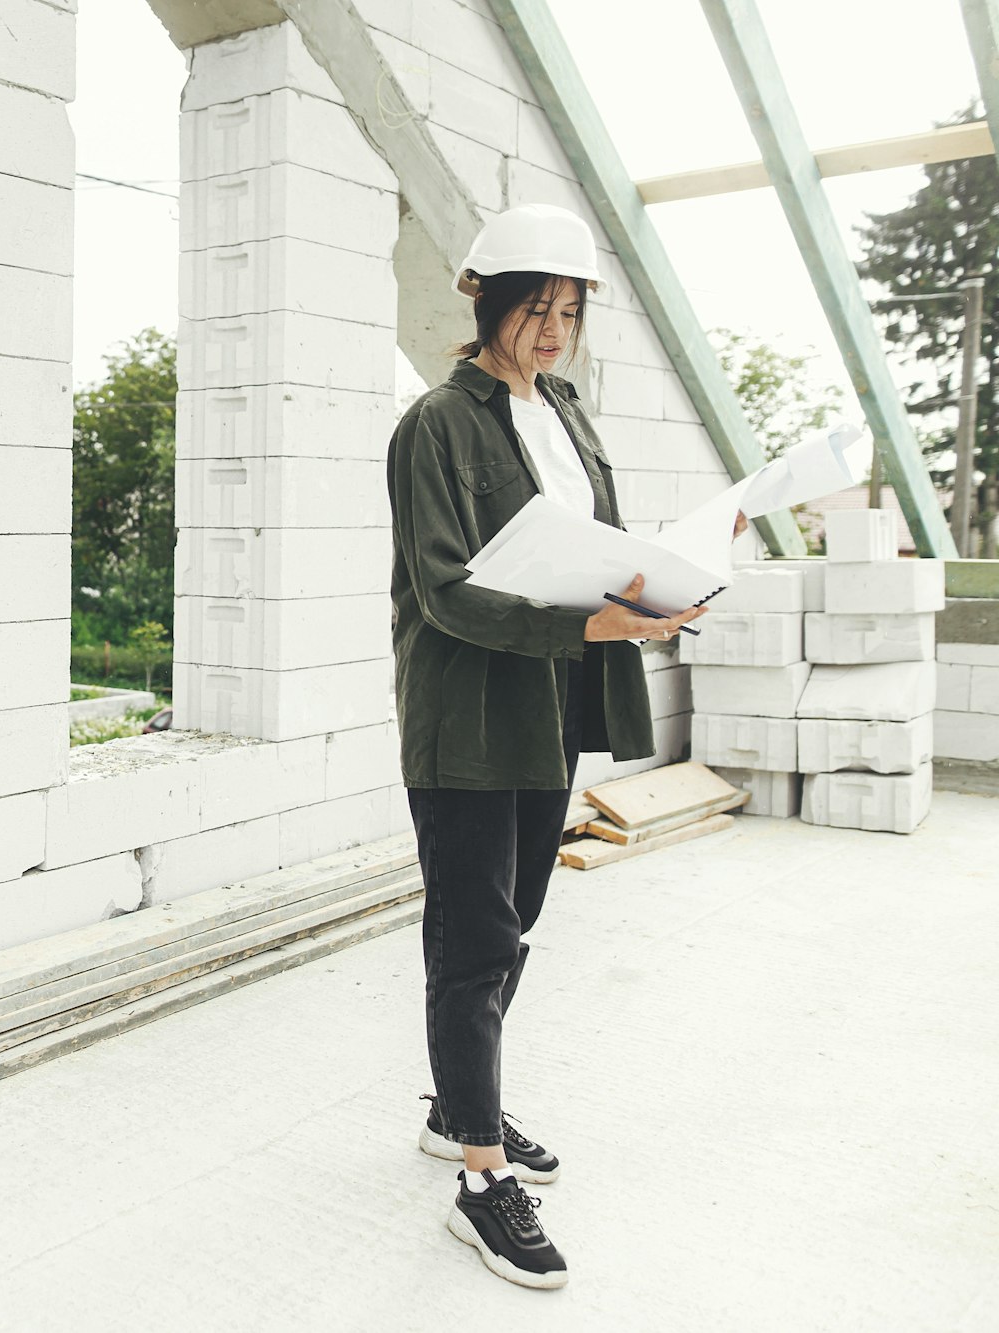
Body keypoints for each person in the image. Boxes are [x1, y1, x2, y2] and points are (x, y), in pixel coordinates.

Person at [385, 203, 726, 1290]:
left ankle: (456, 1107)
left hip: (549, 707)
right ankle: (480, 1181)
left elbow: (587, 548)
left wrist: (654, 598)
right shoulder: (435, 423)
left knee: (516, 914)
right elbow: (445, 590)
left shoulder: (565, 413)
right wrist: (585, 623)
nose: (550, 330)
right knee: (473, 936)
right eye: (534, 308)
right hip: (468, 711)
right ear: (484, 300)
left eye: (567, 311)